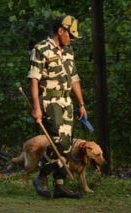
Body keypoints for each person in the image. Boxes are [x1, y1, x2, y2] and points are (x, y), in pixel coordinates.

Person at [27, 15, 87, 199]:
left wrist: (81, 104)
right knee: (58, 141)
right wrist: (37, 107)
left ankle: (60, 185)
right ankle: (42, 176)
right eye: (71, 34)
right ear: (61, 30)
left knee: (66, 145)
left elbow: (74, 79)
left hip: (66, 101)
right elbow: (34, 80)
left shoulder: (68, 51)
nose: (72, 38)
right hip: (49, 101)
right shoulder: (41, 49)